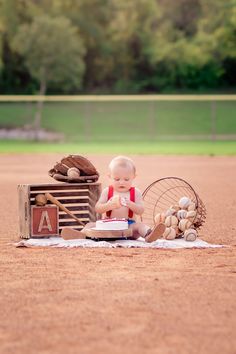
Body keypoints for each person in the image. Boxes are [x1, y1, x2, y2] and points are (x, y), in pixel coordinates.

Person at [62, 155, 166, 242]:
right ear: (110, 177)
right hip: (108, 226)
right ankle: (81, 235)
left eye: (126, 179)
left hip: (127, 227)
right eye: (117, 179)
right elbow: (98, 208)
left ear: (134, 176)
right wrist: (109, 205)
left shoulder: (135, 193)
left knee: (139, 226)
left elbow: (140, 210)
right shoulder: (108, 191)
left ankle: (149, 235)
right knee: (90, 225)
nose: (121, 182)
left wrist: (130, 204)